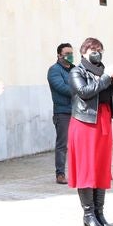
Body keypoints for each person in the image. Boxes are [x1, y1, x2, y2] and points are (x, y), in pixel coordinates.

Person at [69, 38, 113, 226]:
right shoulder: (77, 71)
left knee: (101, 167)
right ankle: (88, 214)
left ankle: (100, 212)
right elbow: (85, 92)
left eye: (99, 49)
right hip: (85, 122)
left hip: (104, 121)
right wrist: (106, 77)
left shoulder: (104, 71)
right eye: (92, 49)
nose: (96, 52)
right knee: (87, 168)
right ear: (83, 52)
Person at [47, 42, 75, 185]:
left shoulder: (74, 69)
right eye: (67, 54)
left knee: (78, 144)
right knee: (63, 144)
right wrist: (81, 90)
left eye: (71, 53)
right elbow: (62, 88)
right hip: (63, 112)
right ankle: (60, 174)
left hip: (77, 112)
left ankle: (79, 172)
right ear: (59, 55)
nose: (70, 56)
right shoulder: (54, 71)